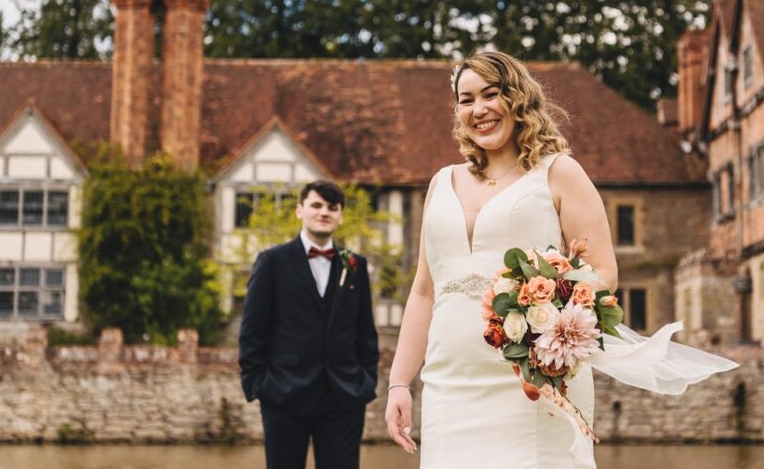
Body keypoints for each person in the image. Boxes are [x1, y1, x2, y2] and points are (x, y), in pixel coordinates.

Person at [385, 51, 617, 468]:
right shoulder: (442, 182)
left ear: (518, 98)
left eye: (491, 95)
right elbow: (423, 291)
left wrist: (544, 310)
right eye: (467, 99)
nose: (480, 109)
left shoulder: (558, 172)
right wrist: (399, 382)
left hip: (528, 382)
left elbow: (604, 272)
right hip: (448, 385)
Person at [239, 180, 379, 469]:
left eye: (332, 207)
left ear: (340, 216)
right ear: (299, 210)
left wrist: (366, 382)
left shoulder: (355, 265)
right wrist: (258, 385)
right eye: (316, 205)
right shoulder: (271, 261)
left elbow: (366, 331)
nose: (324, 212)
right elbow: (252, 331)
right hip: (284, 394)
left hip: (344, 396)